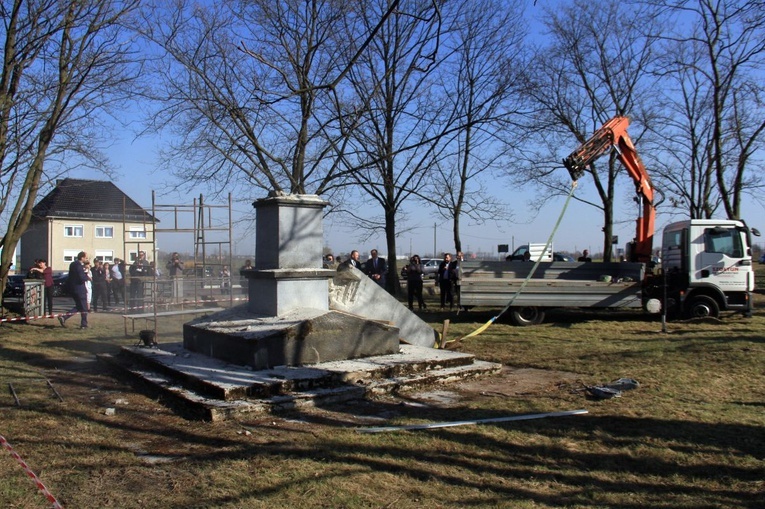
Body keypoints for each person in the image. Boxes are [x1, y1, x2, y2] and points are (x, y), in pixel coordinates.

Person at [59, 251, 90, 329]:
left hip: (73, 289)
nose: (87, 259)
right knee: (84, 308)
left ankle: (64, 317)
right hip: (80, 289)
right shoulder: (79, 266)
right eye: (86, 258)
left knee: (79, 306)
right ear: (82, 258)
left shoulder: (73, 264)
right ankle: (84, 324)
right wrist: (87, 276)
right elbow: (81, 278)